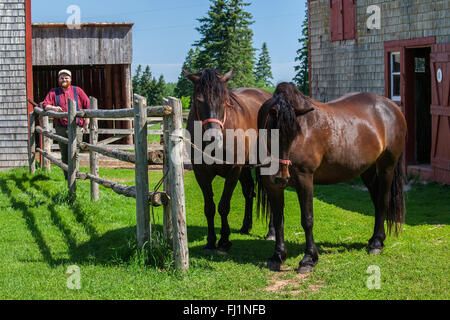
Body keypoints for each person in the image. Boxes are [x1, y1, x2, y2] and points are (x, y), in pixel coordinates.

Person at [42, 69, 90, 179]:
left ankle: (74, 176)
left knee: (75, 153)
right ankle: (67, 177)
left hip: (76, 127)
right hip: (60, 128)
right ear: (58, 79)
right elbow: (45, 105)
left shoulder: (77, 90)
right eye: (62, 78)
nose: (64, 79)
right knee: (64, 153)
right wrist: (54, 108)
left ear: (70, 79)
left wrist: (85, 124)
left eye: (66, 77)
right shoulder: (53, 92)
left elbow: (87, 106)